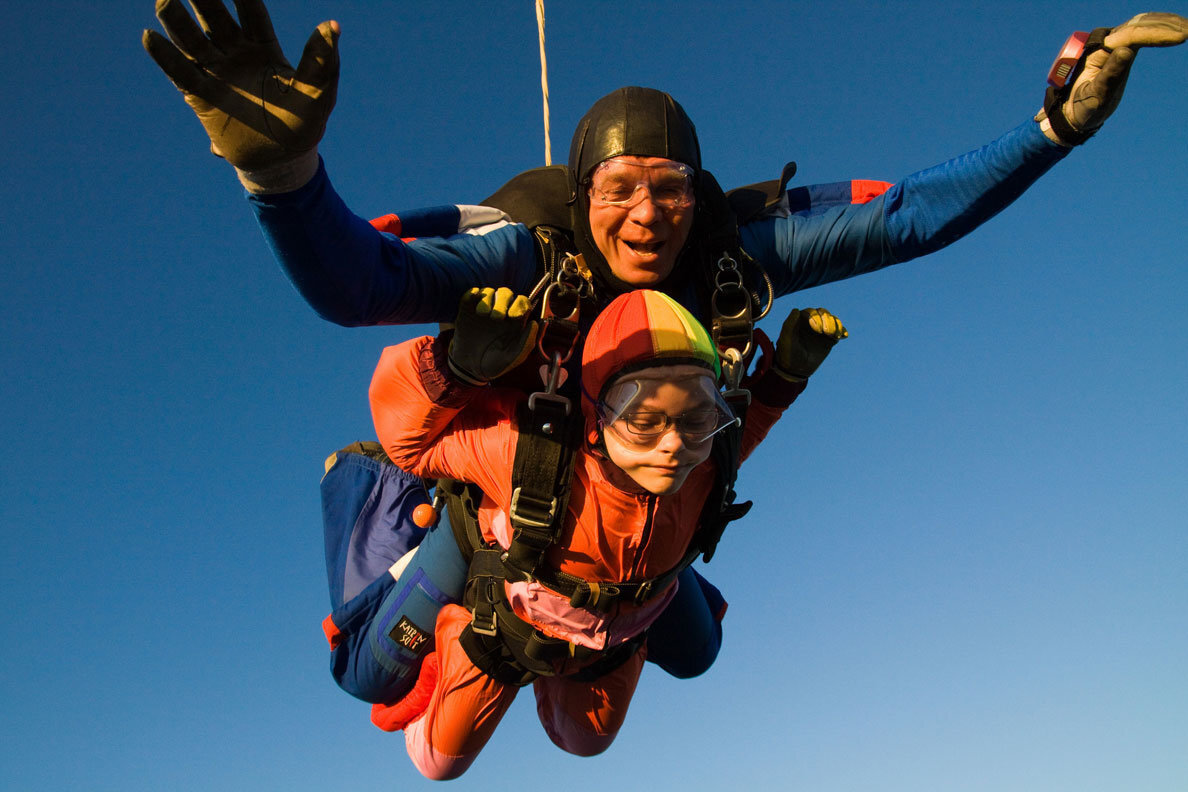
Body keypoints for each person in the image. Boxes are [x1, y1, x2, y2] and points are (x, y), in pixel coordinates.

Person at [141, 2, 1188, 682]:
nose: (647, 216)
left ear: (698, 195)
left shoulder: (729, 260)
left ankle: (644, 586)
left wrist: (1049, 133)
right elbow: (361, 285)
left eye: (671, 189)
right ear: (583, 191)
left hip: (644, 491)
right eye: (620, 189)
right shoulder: (532, 254)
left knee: (697, 654)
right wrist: (284, 181)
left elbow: (907, 218)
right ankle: (374, 501)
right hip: (513, 476)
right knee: (383, 686)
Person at [362, 286, 845, 779]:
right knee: (438, 764)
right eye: (643, 420)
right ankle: (451, 630)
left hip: (616, 637)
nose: (673, 446)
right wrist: (454, 366)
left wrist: (786, 377)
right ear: (598, 415)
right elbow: (410, 446)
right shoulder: (528, 454)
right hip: (508, 632)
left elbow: (747, 429)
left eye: (697, 418)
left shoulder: (706, 462)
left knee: (585, 742)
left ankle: (566, 684)